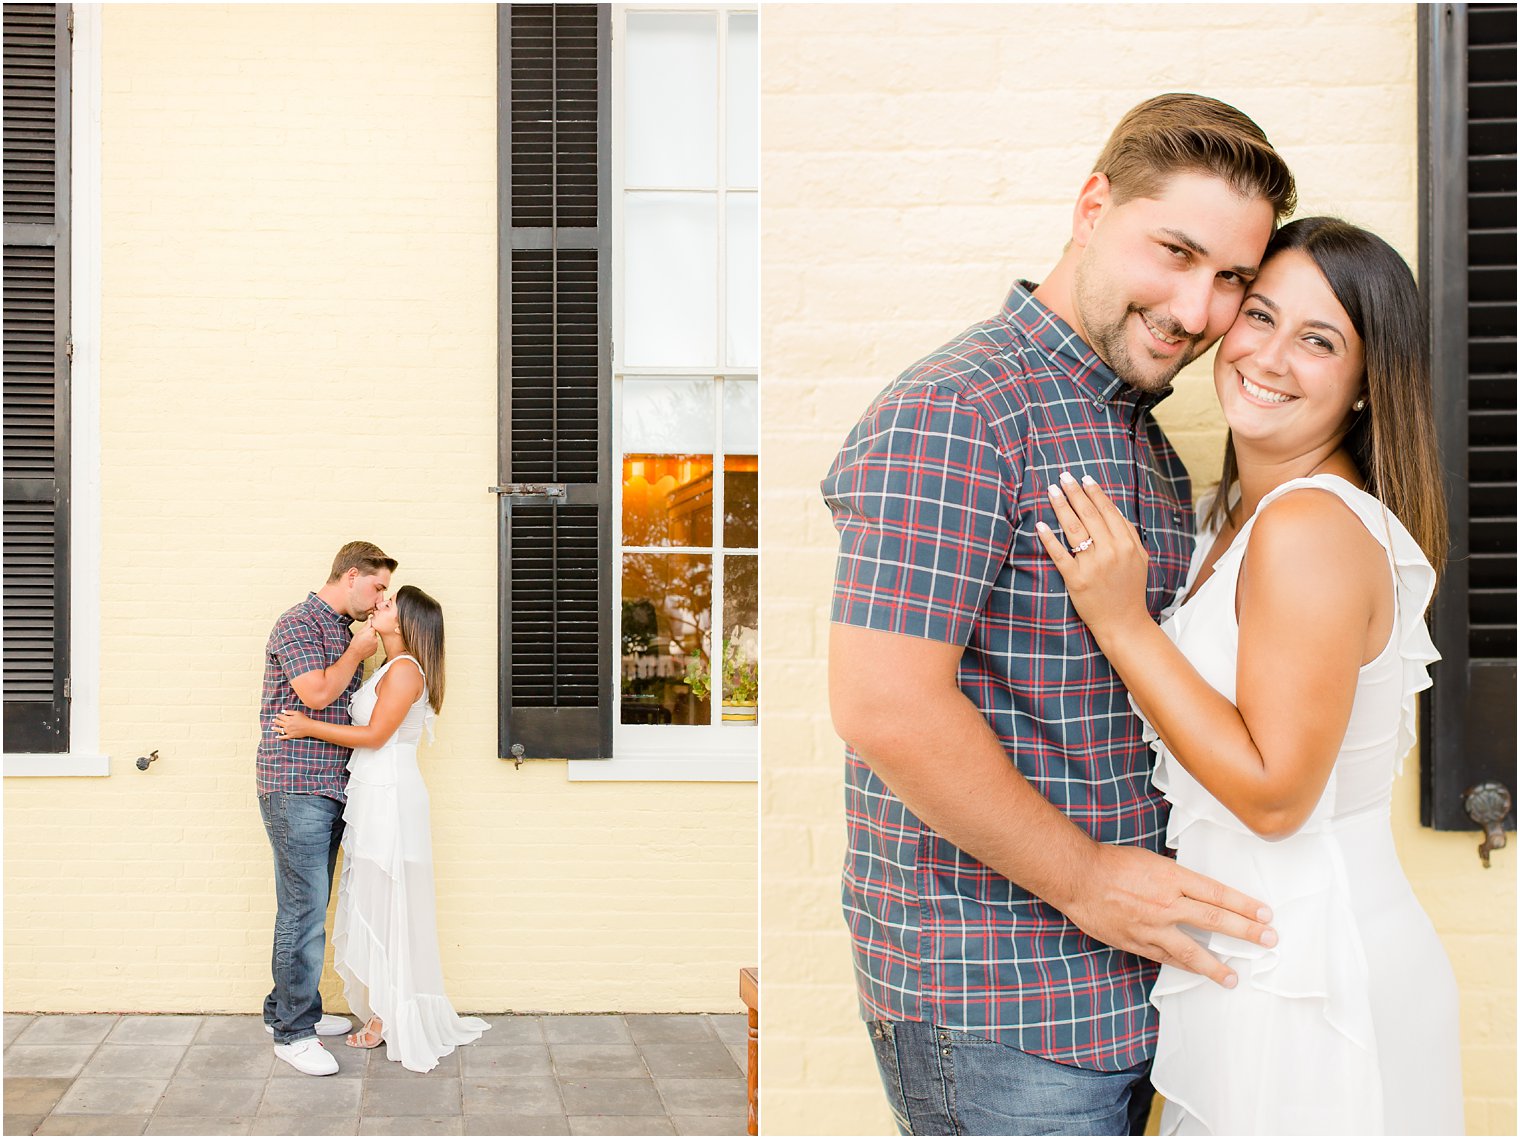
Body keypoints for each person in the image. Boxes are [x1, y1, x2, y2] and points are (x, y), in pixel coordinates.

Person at [823, 94, 1296, 1135]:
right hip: (1000, 1001)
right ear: (1091, 205)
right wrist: (1084, 878)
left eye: (1229, 279)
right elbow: (882, 704)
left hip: (1122, 991)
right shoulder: (961, 407)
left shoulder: (1132, 432)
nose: (1194, 306)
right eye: (1172, 251)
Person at [1035, 217, 1462, 1134]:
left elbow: (1276, 796)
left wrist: (1120, 622)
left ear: (1362, 386)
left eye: (1318, 339)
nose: (1267, 355)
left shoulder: (1308, 527)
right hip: (1254, 950)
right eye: (1259, 316)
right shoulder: (1236, 510)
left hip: (1311, 968)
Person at [274, 584, 490, 1073]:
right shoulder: (390, 667)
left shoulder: (406, 670)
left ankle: (389, 1017)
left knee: (388, 902)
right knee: (376, 899)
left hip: (390, 793)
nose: (379, 605)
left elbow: (374, 736)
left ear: (408, 622)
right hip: (372, 791)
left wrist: (309, 727)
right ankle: (382, 1012)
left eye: (390, 604)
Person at [258, 540, 395, 1077]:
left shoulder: (342, 631)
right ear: (352, 574)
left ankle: (290, 1012)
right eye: (377, 586)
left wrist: (370, 642)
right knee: (303, 912)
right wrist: (358, 654)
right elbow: (314, 694)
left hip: (330, 785)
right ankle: (292, 1035)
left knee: (308, 907)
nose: (380, 596)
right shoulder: (298, 623)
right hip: (294, 786)